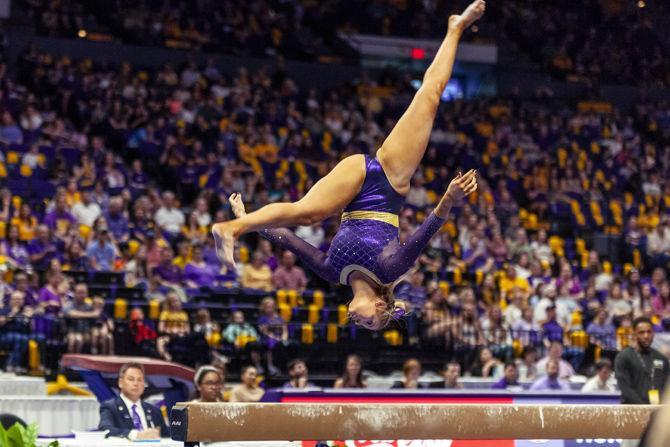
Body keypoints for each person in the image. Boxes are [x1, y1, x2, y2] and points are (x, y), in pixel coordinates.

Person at [213, 0, 485, 331]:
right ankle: (455, 28)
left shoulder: (332, 271)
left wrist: (250, 219)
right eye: (370, 323)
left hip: (353, 183)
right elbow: (426, 232)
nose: (358, 321)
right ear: (380, 305)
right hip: (388, 178)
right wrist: (450, 198)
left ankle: (233, 226)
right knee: (429, 96)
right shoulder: (390, 270)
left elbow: (288, 240)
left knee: (308, 213)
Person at [98, 362, 169, 439]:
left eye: (140, 380)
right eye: (131, 379)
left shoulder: (154, 410)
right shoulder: (110, 407)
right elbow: (105, 430)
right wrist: (137, 435)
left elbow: (165, 433)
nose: (136, 383)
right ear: (120, 382)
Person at [614, 317, 670, 405]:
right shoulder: (623, 357)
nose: (646, 336)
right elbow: (625, 388)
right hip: (632, 410)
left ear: (653, 333)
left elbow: (666, 387)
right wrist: (643, 407)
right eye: (641, 332)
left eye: (649, 332)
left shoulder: (661, 358)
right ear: (634, 334)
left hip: (656, 411)